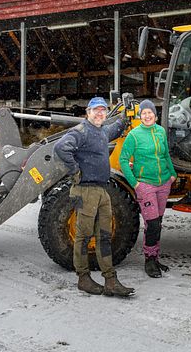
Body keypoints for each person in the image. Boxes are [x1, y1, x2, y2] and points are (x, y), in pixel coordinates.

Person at [53, 96, 135, 297]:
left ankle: (110, 279)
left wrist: (125, 117)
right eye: (95, 110)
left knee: (104, 236)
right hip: (86, 191)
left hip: (102, 191)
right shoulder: (81, 131)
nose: (99, 113)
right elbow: (61, 147)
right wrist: (75, 170)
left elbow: (114, 129)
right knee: (82, 237)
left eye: (103, 110)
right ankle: (83, 278)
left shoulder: (101, 131)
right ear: (87, 113)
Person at [119, 99, 177, 278]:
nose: (147, 115)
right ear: (140, 116)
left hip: (163, 182)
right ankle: (149, 259)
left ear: (155, 115)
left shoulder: (160, 132)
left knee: (157, 223)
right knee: (151, 223)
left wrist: (173, 174)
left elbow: (165, 154)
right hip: (145, 184)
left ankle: (155, 256)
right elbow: (123, 160)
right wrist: (135, 183)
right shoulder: (134, 135)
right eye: (143, 113)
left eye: (150, 112)